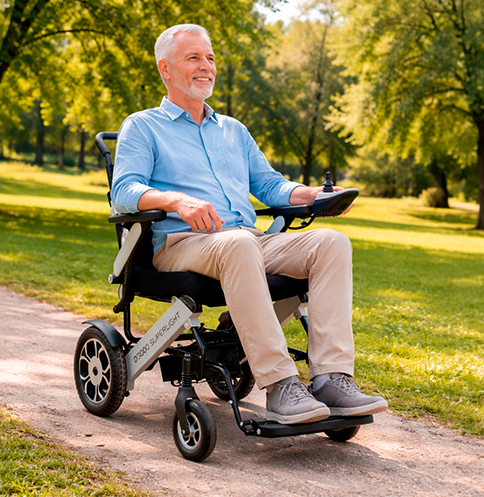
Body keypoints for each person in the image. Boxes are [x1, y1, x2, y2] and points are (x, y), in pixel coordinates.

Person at [109, 24, 388, 425]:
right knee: (238, 243)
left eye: (210, 58)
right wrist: (177, 200)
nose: (206, 66)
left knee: (331, 243)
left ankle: (331, 378)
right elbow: (124, 189)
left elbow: (270, 185)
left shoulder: (233, 130)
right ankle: (280, 386)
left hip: (246, 241)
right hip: (182, 245)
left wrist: (311, 195)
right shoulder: (143, 125)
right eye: (194, 58)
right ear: (165, 69)